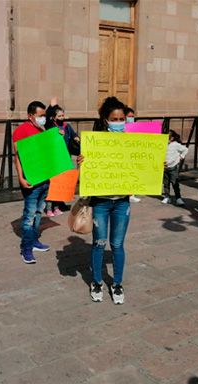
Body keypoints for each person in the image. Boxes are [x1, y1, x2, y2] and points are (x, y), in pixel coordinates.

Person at [78, 96, 131, 305]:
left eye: (122, 118)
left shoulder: (133, 142)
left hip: (122, 202)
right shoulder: (94, 143)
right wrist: (81, 163)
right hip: (100, 202)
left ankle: (117, 283)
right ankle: (97, 281)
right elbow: (84, 175)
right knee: (99, 243)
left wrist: (156, 165)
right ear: (105, 120)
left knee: (117, 244)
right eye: (114, 119)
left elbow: (141, 165)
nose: (119, 122)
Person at [13, 101, 51, 264]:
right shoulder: (21, 131)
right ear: (31, 116)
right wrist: (21, 178)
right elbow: (18, 156)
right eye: (40, 115)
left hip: (44, 179)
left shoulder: (42, 130)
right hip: (31, 181)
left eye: (44, 115)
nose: (43, 118)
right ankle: (26, 248)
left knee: (38, 213)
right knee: (29, 216)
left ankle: (34, 241)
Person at [44, 100, 79, 217]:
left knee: (61, 183)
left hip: (65, 158)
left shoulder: (66, 126)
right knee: (53, 184)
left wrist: (76, 138)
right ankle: (49, 208)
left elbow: (74, 135)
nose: (62, 117)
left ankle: (57, 206)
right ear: (54, 117)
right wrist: (51, 106)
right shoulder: (50, 127)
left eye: (63, 115)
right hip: (54, 159)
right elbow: (48, 116)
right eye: (59, 116)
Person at [162, 129, 188, 205]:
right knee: (165, 183)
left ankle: (178, 198)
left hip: (173, 167)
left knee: (175, 183)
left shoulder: (176, 145)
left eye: (167, 138)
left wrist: (181, 156)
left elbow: (185, 149)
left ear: (172, 138)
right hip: (164, 168)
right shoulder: (163, 144)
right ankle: (167, 197)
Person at [124, 106, 141, 203]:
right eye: (129, 116)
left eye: (132, 116)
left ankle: (131, 193)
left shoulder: (135, 128)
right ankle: (129, 193)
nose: (131, 118)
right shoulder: (121, 128)